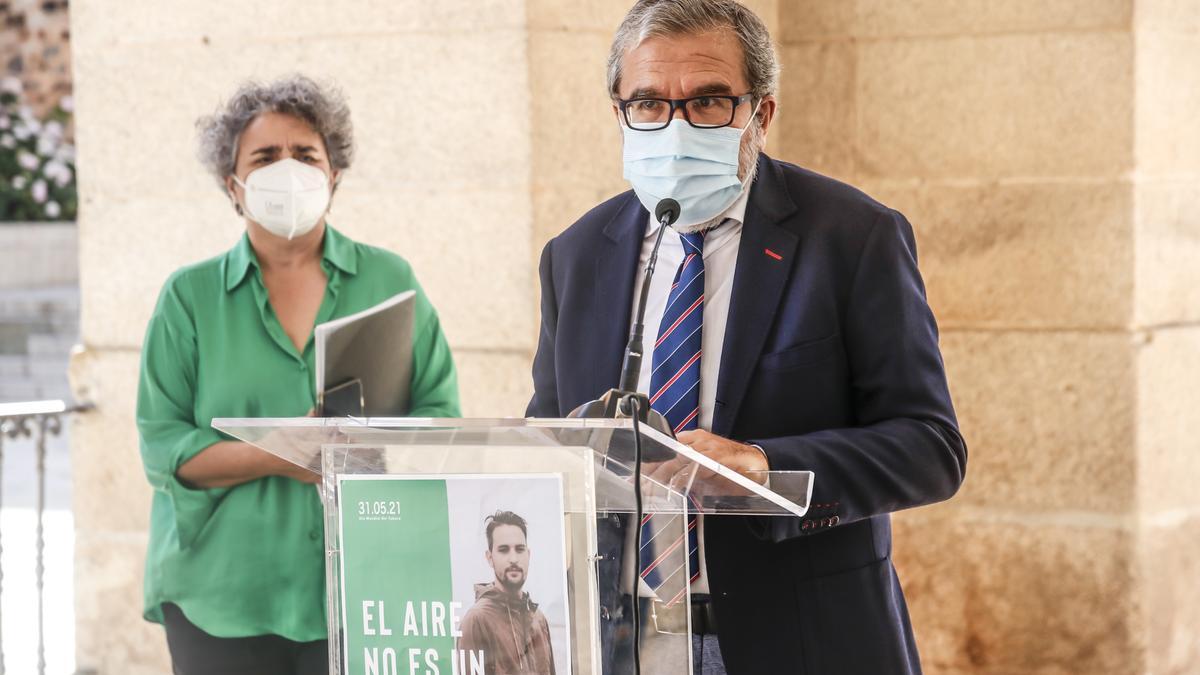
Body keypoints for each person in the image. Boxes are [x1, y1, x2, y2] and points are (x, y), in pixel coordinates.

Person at [525, 1, 968, 673]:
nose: (674, 128)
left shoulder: (851, 237)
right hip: (624, 642)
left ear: (760, 113)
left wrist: (765, 465)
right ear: (618, 111)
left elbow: (930, 448)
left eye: (707, 102)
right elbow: (549, 437)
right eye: (647, 103)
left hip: (804, 638)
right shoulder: (577, 254)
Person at [136, 75, 460, 674]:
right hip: (220, 595)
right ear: (233, 186)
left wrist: (364, 446)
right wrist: (288, 451)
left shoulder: (389, 280)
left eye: (305, 154)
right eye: (264, 157)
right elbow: (164, 449)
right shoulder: (189, 296)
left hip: (367, 587)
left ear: (333, 174)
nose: (287, 169)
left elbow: (439, 418)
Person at [458, 511, 556, 675]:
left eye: (519, 549)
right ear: (490, 558)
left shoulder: (539, 620)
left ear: (528, 555)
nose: (513, 558)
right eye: (504, 550)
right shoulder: (476, 620)